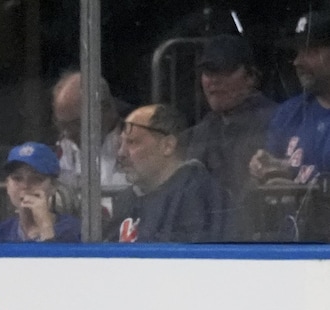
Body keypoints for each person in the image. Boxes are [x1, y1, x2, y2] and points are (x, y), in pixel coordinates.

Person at [109, 104, 231, 242]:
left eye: (132, 142)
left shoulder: (197, 196)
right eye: (120, 144)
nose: (121, 154)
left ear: (167, 145)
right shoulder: (126, 200)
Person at [186, 35, 276, 199]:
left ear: (251, 77)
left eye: (223, 71)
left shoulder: (276, 121)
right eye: (207, 72)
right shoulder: (204, 128)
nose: (213, 80)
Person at [250, 12, 330, 186]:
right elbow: (274, 167)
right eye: (297, 52)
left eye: (310, 51)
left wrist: (296, 188)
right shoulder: (289, 112)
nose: (297, 61)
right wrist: (266, 167)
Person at [0, 142, 81, 242]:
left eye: (36, 179)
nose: (25, 186)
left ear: (53, 186)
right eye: (17, 178)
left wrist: (46, 227)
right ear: (7, 185)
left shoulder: (74, 231)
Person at [51, 71, 130, 188]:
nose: (67, 133)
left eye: (77, 123)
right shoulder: (60, 147)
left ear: (105, 109)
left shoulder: (138, 140)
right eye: (62, 124)